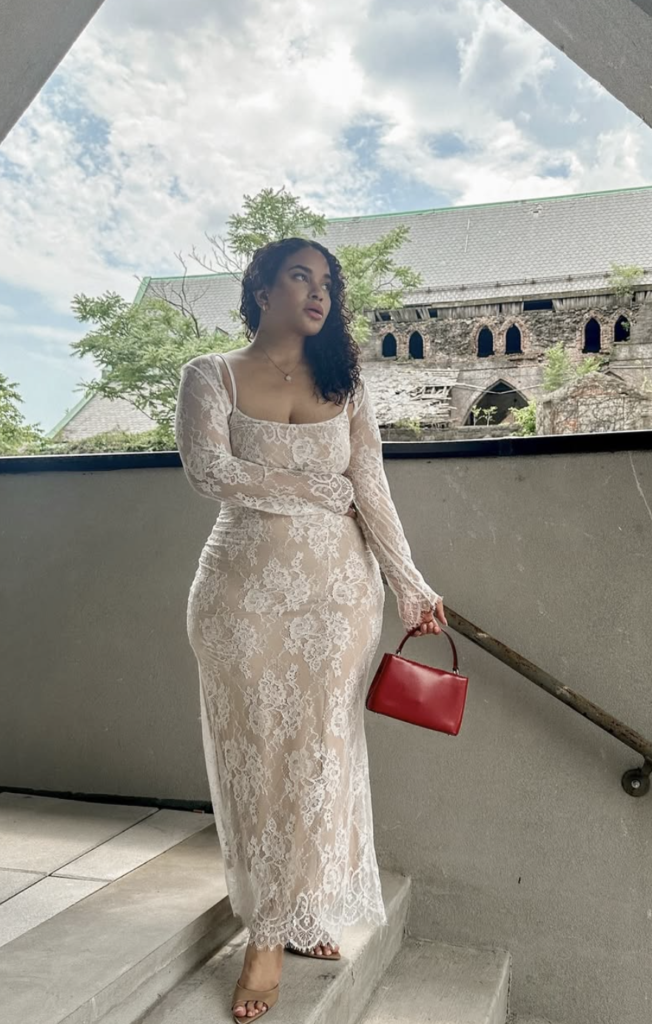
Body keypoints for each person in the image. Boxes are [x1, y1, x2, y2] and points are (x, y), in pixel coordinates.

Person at [174, 237, 447, 1021]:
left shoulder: (346, 381)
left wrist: (410, 582)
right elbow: (207, 471)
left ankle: (289, 917)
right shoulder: (210, 374)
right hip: (238, 595)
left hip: (336, 595)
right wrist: (313, 488)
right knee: (253, 748)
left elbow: (370, 488)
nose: (318, 293)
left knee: (319, 750)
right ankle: (270, 924)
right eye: (301, 276)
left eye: (328, 282)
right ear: (262, 286)